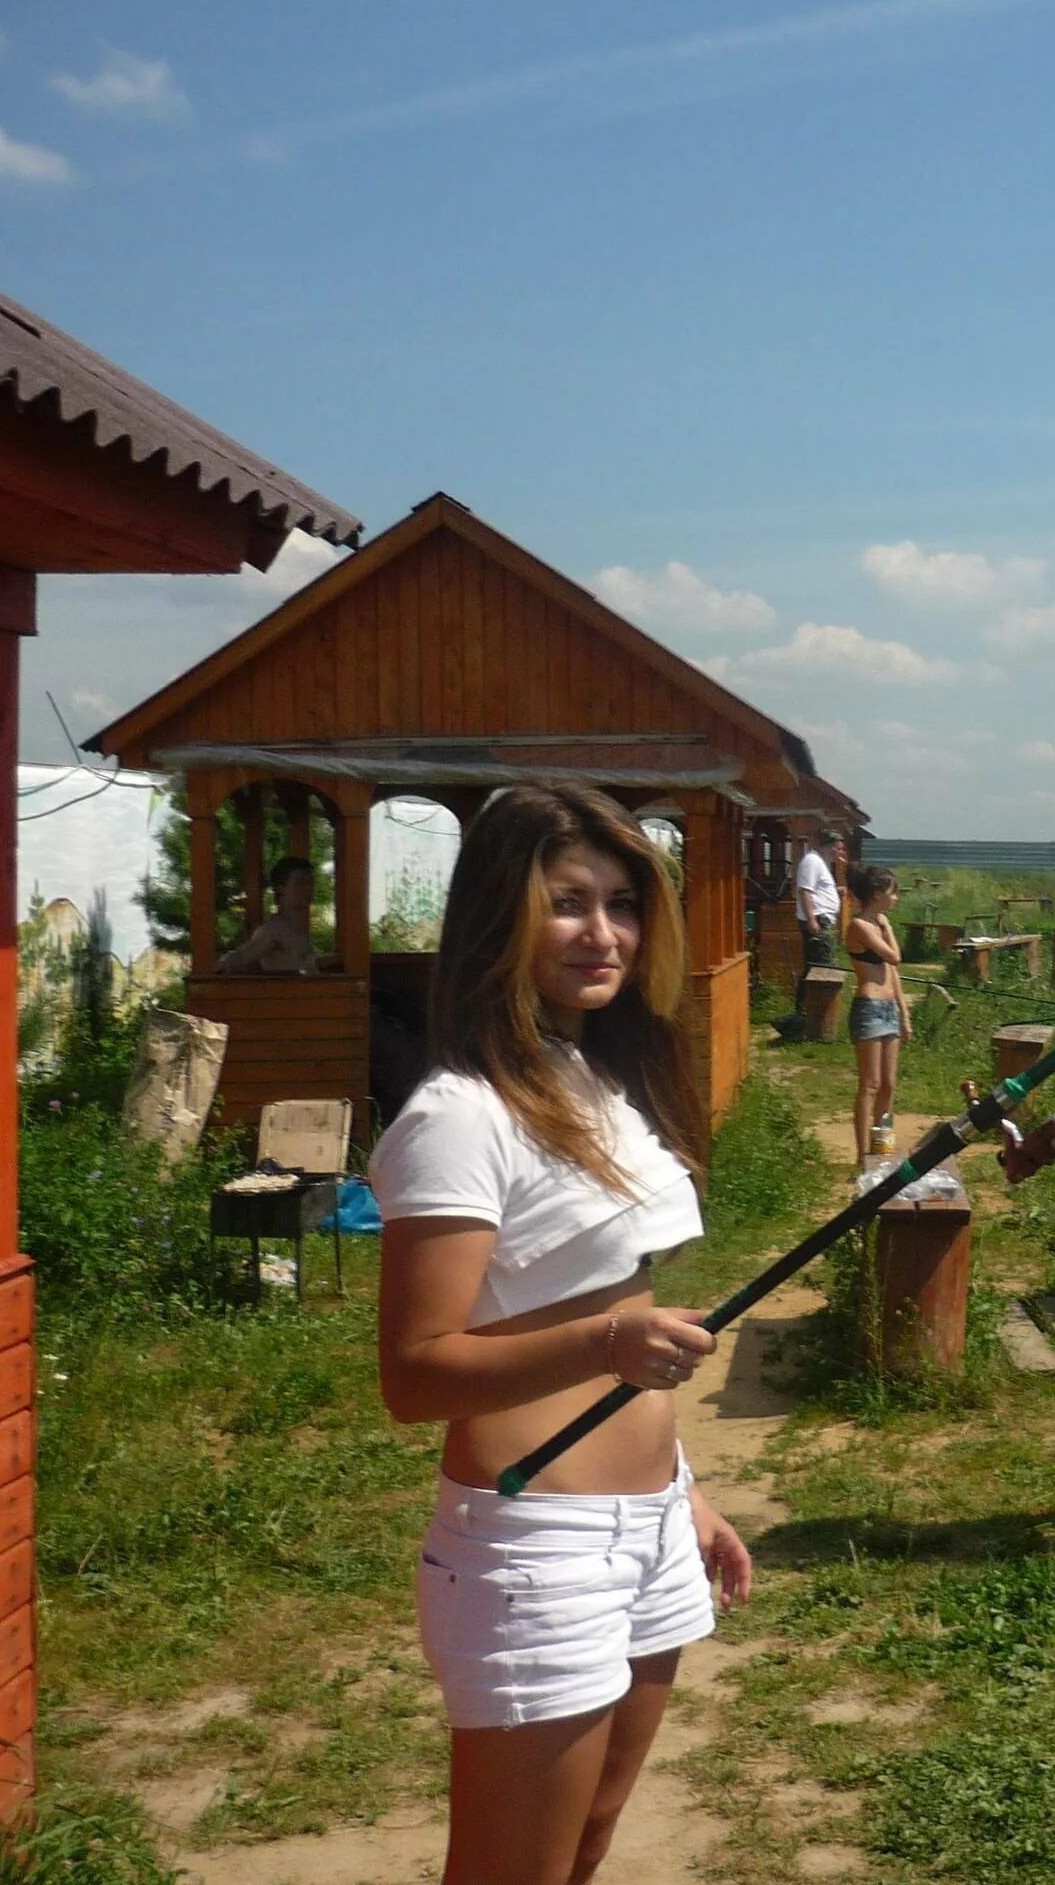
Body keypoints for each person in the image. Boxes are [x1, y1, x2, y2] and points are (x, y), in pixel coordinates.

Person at [370, 784, 754, 1885]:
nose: (604, 934)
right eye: (567, 903)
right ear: (501, 918)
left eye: (623, 904)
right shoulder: (458, 1116)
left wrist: (680, 1489)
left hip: (644, 1524)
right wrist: (606, 1343)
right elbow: (414, 1374)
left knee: (586, 1842)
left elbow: (606, 1304)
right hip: (535, 1547)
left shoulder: (600, 1079)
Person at [841, 865, 910, 1165]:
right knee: (869, 1084)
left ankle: (881, 1147)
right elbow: (895, 956)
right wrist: (889, 928)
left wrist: (904, 1014)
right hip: (868, 1008)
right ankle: (861, 1155)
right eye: (893, 892)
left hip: (889, 1008)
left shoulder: (879, 923)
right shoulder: (860, 926)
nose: (896, 899)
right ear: (878, 894)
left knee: (889, 1084)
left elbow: (893, 972)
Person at [215, 855, 320, 974]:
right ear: (281, 889)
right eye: (300, 883)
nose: (308, 888)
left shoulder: (297, 930)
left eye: (310, 882)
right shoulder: (272, 931)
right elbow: (240, 957)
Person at [793, 829, 846, 973]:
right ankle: (811, 995)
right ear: (827, 846)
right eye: (838, 848)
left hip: (823, 920)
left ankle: (808, 995)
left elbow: (817, 891)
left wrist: (835, 891)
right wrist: (811, 919)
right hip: (818, 920)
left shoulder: (821, 863)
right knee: (820, 965)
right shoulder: (812, 861)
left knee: (820, 964)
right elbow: (805, 891)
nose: (841, 853)